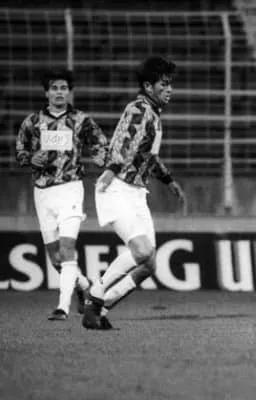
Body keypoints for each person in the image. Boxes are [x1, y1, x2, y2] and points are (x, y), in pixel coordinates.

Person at [82, 55, 186, 330]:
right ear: (148, 86)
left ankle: (101, 308)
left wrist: (168, 180)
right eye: (164, 84)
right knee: (142, 251)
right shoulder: (139, 109)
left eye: (170, 84)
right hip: (117, 187)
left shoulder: (153, 114)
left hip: (136, 192)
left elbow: (148, 156)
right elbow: (123, 143)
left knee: (149, 264)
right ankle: (95, 294)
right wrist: (111, 170)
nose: (170, 89)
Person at [16, 68, 108, 320]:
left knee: (67, 250)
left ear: (69, 92)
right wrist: (31, 158)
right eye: (54, 88)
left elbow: (100, 144)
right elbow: (20, 152)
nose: (59, 92)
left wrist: (101, 157)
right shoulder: (32, 122)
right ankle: (85, 286)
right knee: (55, 258)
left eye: (64, 88)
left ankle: (62, 307)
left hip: (71, 189)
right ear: (46, 92)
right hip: (43, 192)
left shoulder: (81, 120)